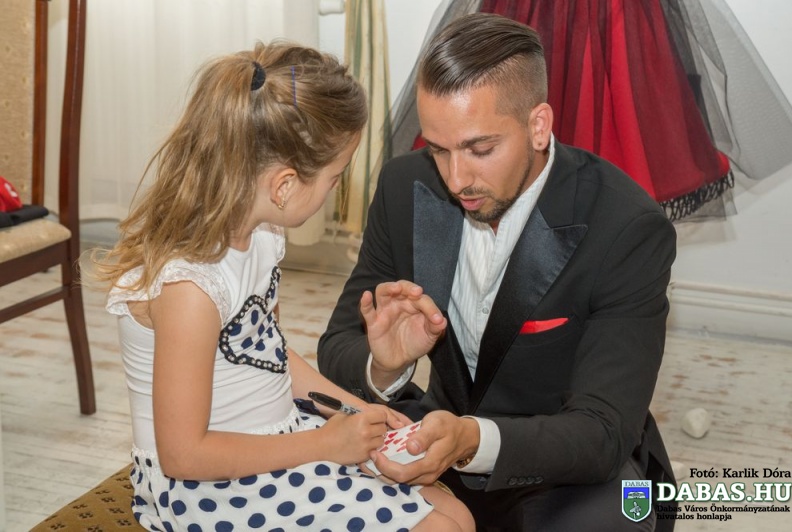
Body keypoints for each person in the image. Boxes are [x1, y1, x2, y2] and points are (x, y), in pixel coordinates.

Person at [317, 13, 677, 532]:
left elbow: (602, 430)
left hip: (563, 467)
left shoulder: (626, 228)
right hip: (431, 435)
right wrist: (386, 366)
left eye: (480, 149)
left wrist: (472, 440)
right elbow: (337, 348)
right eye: (437, 149)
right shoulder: (404, 187)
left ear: (538, 126)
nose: (455, 178)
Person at [94, 42, 474, 532]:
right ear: (284, 185)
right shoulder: (191, 287)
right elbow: (184, 455)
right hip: (208, 488)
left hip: (278, 437)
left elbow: (269, 355)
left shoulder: (262, 237)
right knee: (441, 528)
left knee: (457, 516)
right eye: (336, 177)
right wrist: (324, 444)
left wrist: (363, 411)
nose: (337, 189)